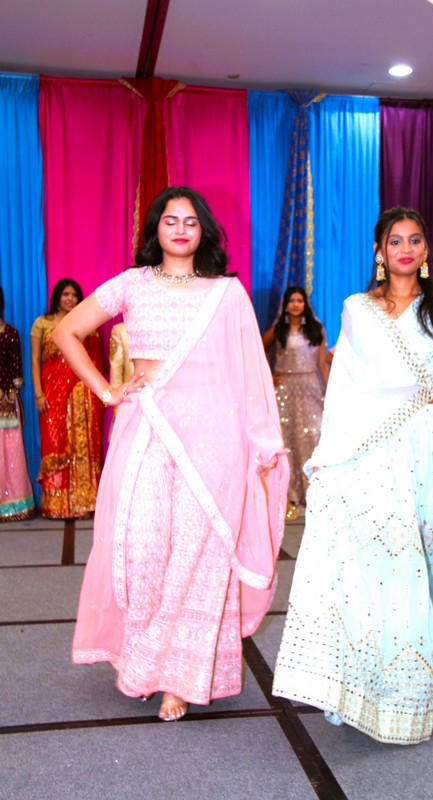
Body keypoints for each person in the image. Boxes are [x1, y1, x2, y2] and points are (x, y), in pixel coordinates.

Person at [273, 207, 433, 745]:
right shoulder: (358, 309)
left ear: (425, 250)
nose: (406, 249)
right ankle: (380, 683)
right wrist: (331, 454)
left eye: (415, 240)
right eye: (396, 241)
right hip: (377, 448)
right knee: (388, 561)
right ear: (380, 251)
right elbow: (347, 386)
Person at [53, 186, 288, 722]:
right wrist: (107, 391)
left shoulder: (226, 293)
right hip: (147, 429)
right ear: (155, 228)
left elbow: (250, 373)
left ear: (204, 230)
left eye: (190, 221)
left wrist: (260, 442)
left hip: (213, 441)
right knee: (142, 547)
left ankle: (179, 679)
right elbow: (67, 332)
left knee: (195, 555)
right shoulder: (132, 283)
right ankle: (143, 662)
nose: (180, 229)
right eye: (170, 220)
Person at [30, 279, 104, 518]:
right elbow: (35, 361)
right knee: (54, 442)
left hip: (82, 394)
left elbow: (94, 363)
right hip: (51, 395)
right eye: (65, 294)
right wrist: (38, 393)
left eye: (74, 295)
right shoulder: (42, 323)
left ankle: (85, 501)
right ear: (57, 297)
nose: (70, 299)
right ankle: (57, 505)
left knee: (83, 446)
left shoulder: (85, 323)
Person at [262, 286, 329, 519]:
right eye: (292, 300)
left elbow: (322, 363)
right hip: (285, 390)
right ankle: (289, 496)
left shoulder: (316, 330)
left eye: (299, 300)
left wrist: (329, 390)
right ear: (286, 305)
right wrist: (267, 375)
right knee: (287, 440)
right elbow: (256, 350)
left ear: (305, 304)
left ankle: (313, 495)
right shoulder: (279, 330)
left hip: (310, 387)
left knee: (312, 438)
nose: (296, 304)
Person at [0, 287, 35, 522]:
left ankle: (13, 504)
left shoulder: (10, 333)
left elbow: (15, 369)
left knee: (10, 449)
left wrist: (12, 394)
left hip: (5, 398)